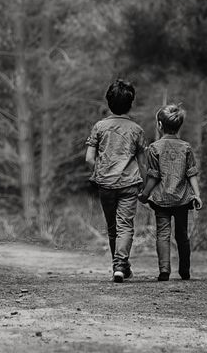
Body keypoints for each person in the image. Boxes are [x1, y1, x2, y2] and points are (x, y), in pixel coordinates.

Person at [85, 78, 147, 283]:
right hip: (129, 184)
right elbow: (142, 162)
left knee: (113, 228)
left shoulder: (99, 127)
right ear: (131, 104)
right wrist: (145, 184)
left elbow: (89, 158)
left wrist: (99, 172)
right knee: (125, 226)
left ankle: (119, 266)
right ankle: (121, 265)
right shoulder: (137, 130)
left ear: (108, 103)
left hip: (105, 184)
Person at [137, 103, 201, 281]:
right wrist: (197, 194)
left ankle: (164, 270)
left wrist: (144, 194)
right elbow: (192, 173)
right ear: (179, 125)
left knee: (163, 235)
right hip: (182, 198)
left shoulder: (154, 148)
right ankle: (185, 270)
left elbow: (153, 176)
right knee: (182, 235)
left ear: (159, 125)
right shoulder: (186, 147)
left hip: (161, 199)